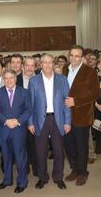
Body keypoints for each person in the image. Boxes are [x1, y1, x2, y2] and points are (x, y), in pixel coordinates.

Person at [28, 53, 71, 190]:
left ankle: (58, 177)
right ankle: (42, 177)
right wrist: (30, 123)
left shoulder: (62, 80)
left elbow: (66, 102)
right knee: (41, 152)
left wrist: (67, 121)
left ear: (54, 64)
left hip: (58, 119)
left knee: (58, 152)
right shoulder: (33, 81)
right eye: (44, 62)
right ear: (40, 64)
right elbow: (30, 104)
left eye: (50, 62)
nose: (47, 65)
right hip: (40, 120)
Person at [62, 45, 100, 186]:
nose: (74, 58)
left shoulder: (89, 72)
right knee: (69, 145)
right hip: (65, 115)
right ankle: (75, 169)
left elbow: (95, 93)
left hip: (82, 115)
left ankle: (83, 172)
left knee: (81, 146)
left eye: (77, 56)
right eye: (71, 55)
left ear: (82, 57)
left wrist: (75, 101)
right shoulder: (65, 69)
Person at [0, 69, 31, 193]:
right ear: (4, 79)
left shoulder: (24, 92)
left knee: (20, 157)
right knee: (6, 156)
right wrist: (6, 121)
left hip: (18, 129)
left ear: (15, 79)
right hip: (4, 129)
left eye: (11, 78)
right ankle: (7, 180)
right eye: (6, 78)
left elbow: (28, 110)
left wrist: (18, 121)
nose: (9, 80)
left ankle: (22, 182)